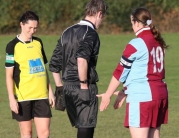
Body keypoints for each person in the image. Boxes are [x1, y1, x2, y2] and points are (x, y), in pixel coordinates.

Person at [97, 7, 168, 138]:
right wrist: (124, 91)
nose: (132, 27)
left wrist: (107, 95)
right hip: (160, 94)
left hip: (142, 98)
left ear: (136, 22)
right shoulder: (158, 41)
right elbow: (144, 71)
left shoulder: (136, 44)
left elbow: (120, 72)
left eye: (132, 23)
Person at [49, 0, 107, 138]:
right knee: (86, 128)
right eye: (103, 17)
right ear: (99, 13)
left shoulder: (66, 32)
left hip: (67, 87)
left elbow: (54, 64)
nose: (102, 21)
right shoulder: (91, 33)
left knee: (80, 126)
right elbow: (81, 59)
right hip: (83, 86)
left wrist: (60, 88)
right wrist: (84, 86)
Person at [5, 11, 55, 138]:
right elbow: (9, 75)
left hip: (41, 95)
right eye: (30, 28)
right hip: (23, 97)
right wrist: (12, 98)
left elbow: (44, 70)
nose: (33, 31)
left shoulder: (38, 42)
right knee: (27, 133)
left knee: (45, 133)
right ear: (21, 24)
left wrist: (50, 91)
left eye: (35, 28)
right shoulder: (12, 46)